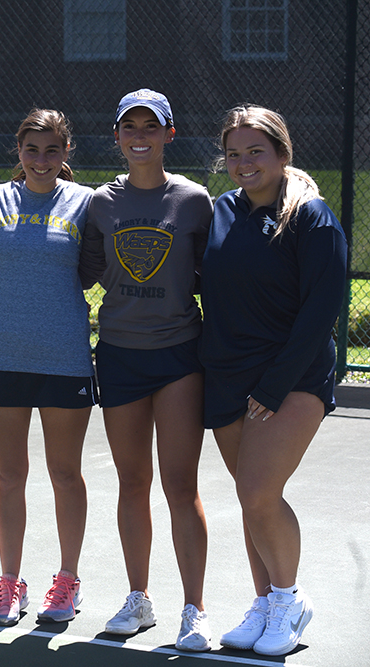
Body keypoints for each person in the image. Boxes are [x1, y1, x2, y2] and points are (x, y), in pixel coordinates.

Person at [200, 106, 346, 656]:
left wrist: (273, 385)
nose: (244, 163)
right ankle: (264, 604)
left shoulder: (311, 217)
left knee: (259, 493)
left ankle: (289, 601)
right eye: (234, 154)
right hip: (226, 376)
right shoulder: (222, 210)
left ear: (282, 154)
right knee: (250, 498)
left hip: (291, 378)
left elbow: (321, 312)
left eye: (255, 151)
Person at [78, 89, 213, 651]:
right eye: (129, 126)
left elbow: (214, 276)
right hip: (119, 355)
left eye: (150, 126)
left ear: (168, 134)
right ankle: (139, 598)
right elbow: (80, 271)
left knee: (181, 485)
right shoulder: (99, 203)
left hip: (179, 356)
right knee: (132, 483)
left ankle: (194, 610)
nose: (139, 136)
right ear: (116, 136)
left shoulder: (195, 200)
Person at [0, 109, 96, 626]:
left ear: (66, 152)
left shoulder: (86, 202)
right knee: (10, 476)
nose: (41, 160)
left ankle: (67, 581)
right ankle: (10, 582)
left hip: (65, 359)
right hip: (4, 356)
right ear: (19, 150)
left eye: (52, 150)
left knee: (65, 473)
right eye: (32, 149)